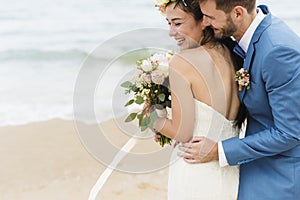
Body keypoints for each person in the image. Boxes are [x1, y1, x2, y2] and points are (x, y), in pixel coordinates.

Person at [180, 0, 300, 199]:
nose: (205, 24)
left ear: (237, 13)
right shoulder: (246, 37)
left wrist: (219, 150)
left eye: (210, 17)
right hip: (253, 165)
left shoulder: (277, 51)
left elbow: (290, 132)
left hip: (279, 177)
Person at [152, 0, 242, 199]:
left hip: (195, 171)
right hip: (230, 172)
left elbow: (182, 133)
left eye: (177, 23)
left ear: (204, 20)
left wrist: (151, 118)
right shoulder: (232, 54)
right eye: (168, 24)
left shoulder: (182, 62)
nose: (171, 32)